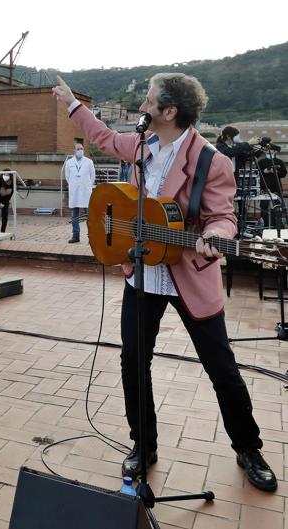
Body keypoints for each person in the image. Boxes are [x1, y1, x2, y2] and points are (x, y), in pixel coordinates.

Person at [53, 73, 278, 492]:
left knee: (222, 370)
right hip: (143, 274)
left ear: (170, 111)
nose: (141, 107)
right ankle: (144, 444)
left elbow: (222, 217)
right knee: (133, 363)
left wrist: (218, 239)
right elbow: (103, 137)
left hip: (189, 275)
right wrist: (71, 103)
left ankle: (248, 447)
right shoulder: (142, 144)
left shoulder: (213, 161)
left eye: (149, 101)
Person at [63, 142, 95, 243]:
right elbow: (67, 177)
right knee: (74, 215)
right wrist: (74, 184)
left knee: (89, 215)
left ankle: (91, 236)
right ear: (74, 150)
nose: (80, 150)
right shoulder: (69, 163)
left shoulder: (89, 162)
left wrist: (86, 185)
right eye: (78, 149)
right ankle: (75, 236)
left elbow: (92, 176)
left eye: (82, 148)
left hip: (86, 192)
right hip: (75, 192)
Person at [258, 142, 287, 228]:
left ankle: (279, 225)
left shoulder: (279, 162)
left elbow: (284, 173)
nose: (268, 152)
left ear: (275, 152)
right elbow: (257, 173)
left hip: (277, 188)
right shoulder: (261, 162)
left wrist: (276, 172)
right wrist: (264, 171)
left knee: (279, 208)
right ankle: (265, 226)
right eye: (267, 150)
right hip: (264, 188)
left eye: (271, 151)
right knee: (264, 208)